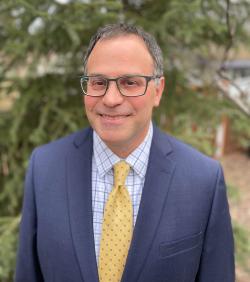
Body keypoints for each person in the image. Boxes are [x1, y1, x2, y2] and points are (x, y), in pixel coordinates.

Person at [15, 23, 235, 282]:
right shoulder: (44, 168)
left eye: (130, 82)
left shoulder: (203, 181)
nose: (110, 99)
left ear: (158, 90)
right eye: (98, 82)